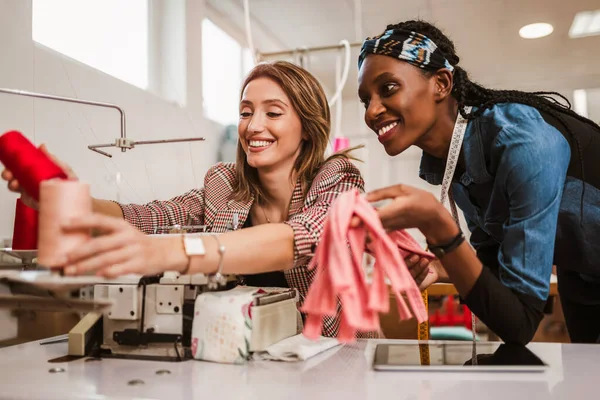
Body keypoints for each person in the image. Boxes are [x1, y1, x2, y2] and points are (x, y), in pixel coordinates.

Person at [3, 61, 432, 338]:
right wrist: (70, 200)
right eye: (246, 111)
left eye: (273, 112)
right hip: (248, 359)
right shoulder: (223, 183)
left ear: (308, 126)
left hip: (335, 360)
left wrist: (171, 252)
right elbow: (148, 217)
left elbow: (300, 240)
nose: (253, 125)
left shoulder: (338, 179)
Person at [356, 20, 600, 344]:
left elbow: (521, 322)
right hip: (582, 271)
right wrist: (443, 267)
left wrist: (438, 226)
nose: (371, 112)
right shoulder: (455, 163)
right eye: (364, 99)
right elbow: (494, 268)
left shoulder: (521, 141)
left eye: (388, 88)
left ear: (441, 83)